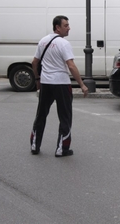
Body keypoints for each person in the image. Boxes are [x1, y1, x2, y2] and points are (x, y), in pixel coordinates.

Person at [30, 15, 88, 157]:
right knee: (65, 117)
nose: (69, 28)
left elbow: (34, 63)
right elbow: (71, 66)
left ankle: (34, 146)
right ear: (58, 27)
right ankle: (62, 149)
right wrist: (82, 84)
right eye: (66, 25)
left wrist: (38, 78)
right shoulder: (64, 44)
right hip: (61, 84)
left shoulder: (43, 41)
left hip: (46, 83)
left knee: (41, 115)